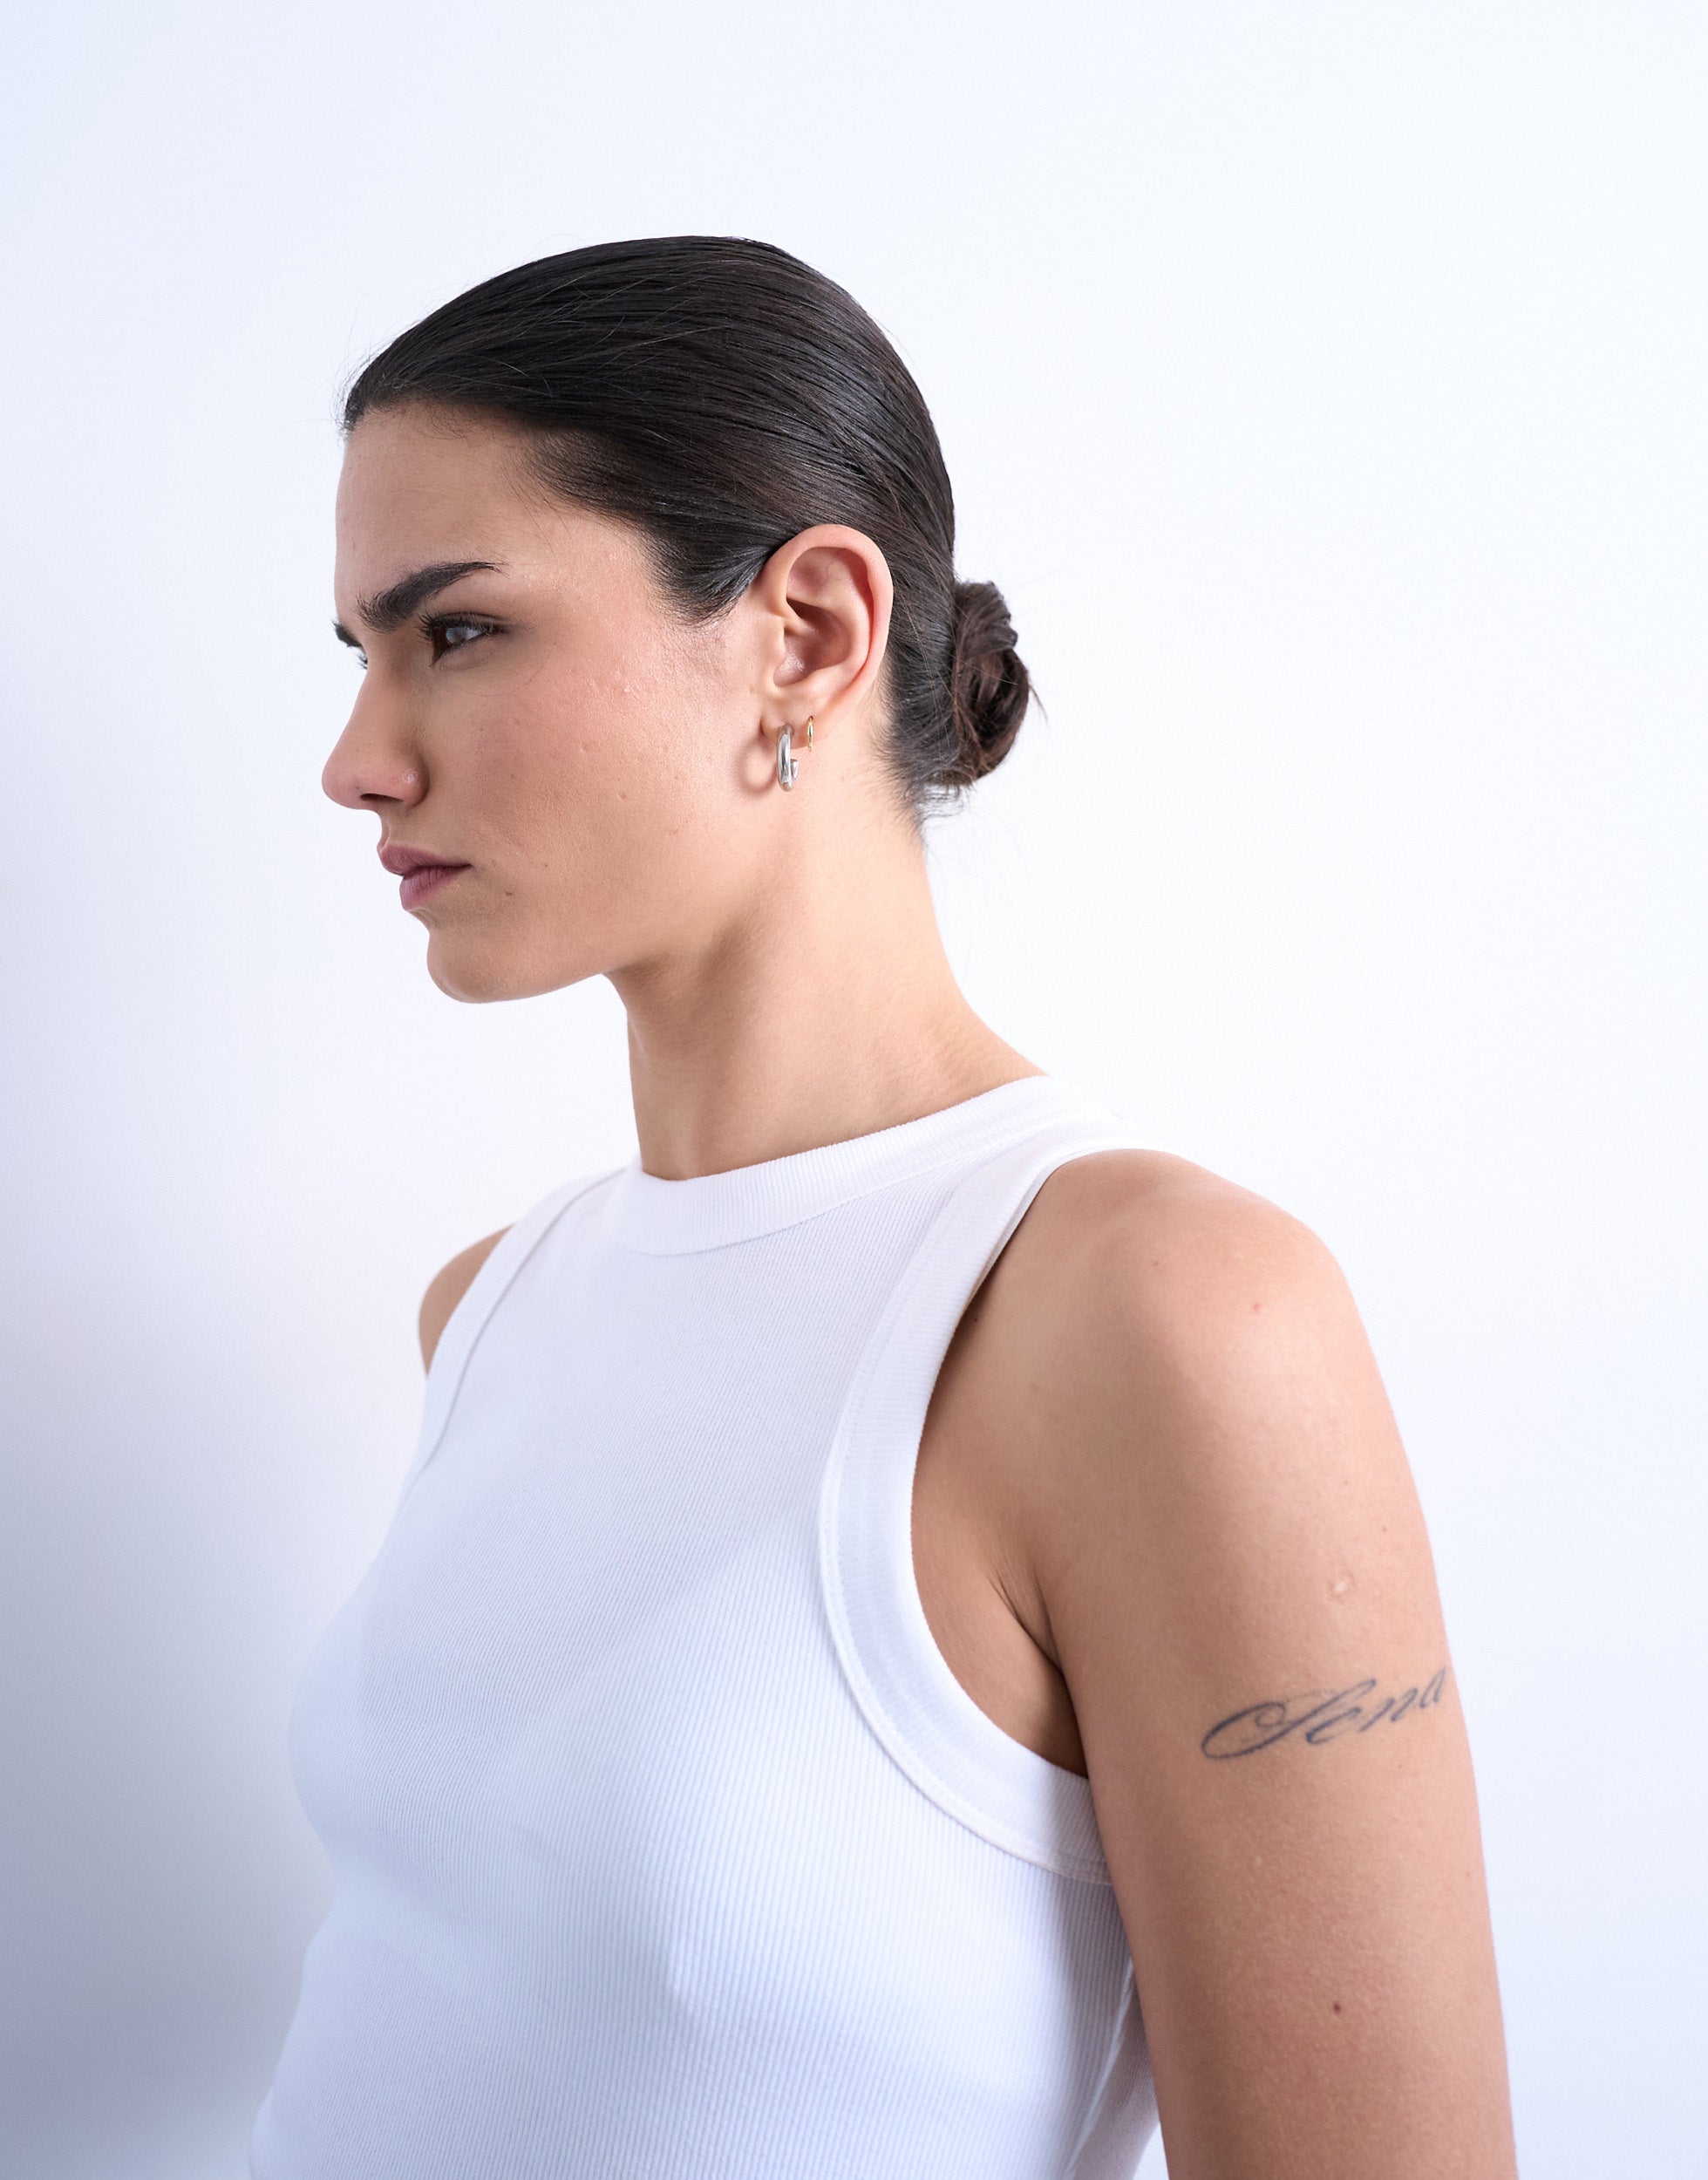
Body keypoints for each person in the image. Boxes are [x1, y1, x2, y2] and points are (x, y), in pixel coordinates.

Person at [250, 236, 1517, 2180]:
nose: (357, 762)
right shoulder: (492, 1309)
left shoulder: (1155, 1314)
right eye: (361, 652)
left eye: (463, 630)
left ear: (810, 631)